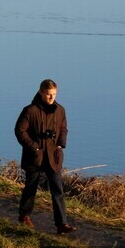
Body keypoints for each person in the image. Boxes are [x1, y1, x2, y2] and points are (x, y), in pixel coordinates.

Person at [15, 79, 75, 235]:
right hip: (35, 156)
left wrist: (61, 143)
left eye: (54, 94)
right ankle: (24, 215)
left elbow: (63, 128)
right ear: (41, 92)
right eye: (48, 94)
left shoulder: (60, 110)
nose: (51, 98)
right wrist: (33, 146)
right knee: (31, 187)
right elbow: (20, 131)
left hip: (53, 156)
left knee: (57, 189)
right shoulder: (30, 110)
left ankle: (61, 224)